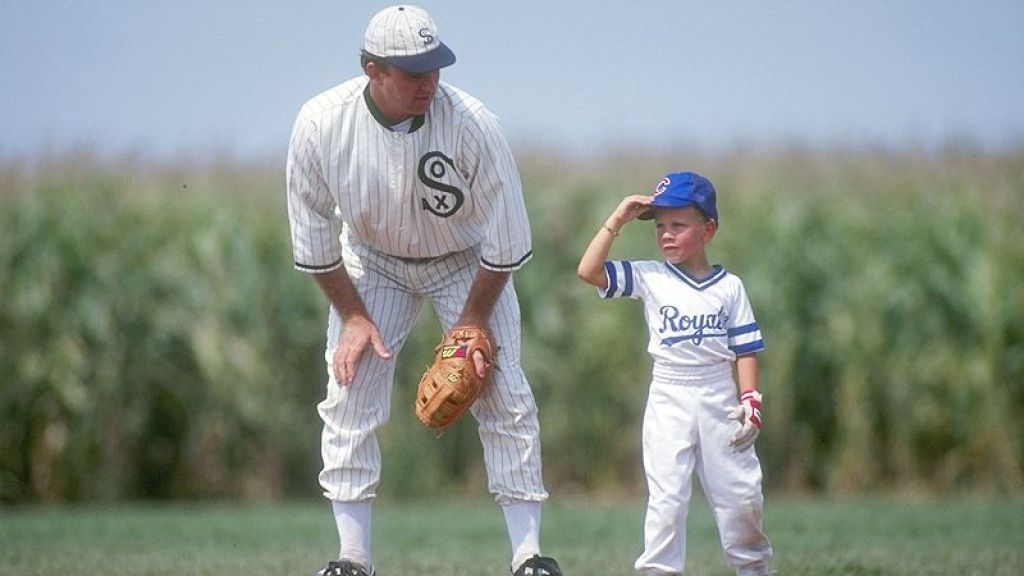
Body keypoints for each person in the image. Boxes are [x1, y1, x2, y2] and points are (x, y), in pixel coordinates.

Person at [284, 5, 562, 576]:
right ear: (372, 69)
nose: (429, 81)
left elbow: (507, 238)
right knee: (349, 394)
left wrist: (473, 319)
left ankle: (529, 558)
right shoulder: (320, 124)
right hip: (372, 262)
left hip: (466, 262)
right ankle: (352, 560)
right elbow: (314, 241)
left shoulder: (472, 123)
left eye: (435, 67)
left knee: (504, 391)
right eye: (413, 72)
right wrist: (354, 317)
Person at [576, 172, 774, 576]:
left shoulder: (730, 287)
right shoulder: (651, 276)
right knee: (667, 500)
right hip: (669, 395)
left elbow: (746, 349)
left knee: (739, 497)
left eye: (678, 225)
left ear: (708, 229)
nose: (666, 235)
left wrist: (750, 401)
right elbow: (588, 271)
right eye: (660, 226)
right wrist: (616, 220)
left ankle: (754, 569)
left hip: (719, 396)